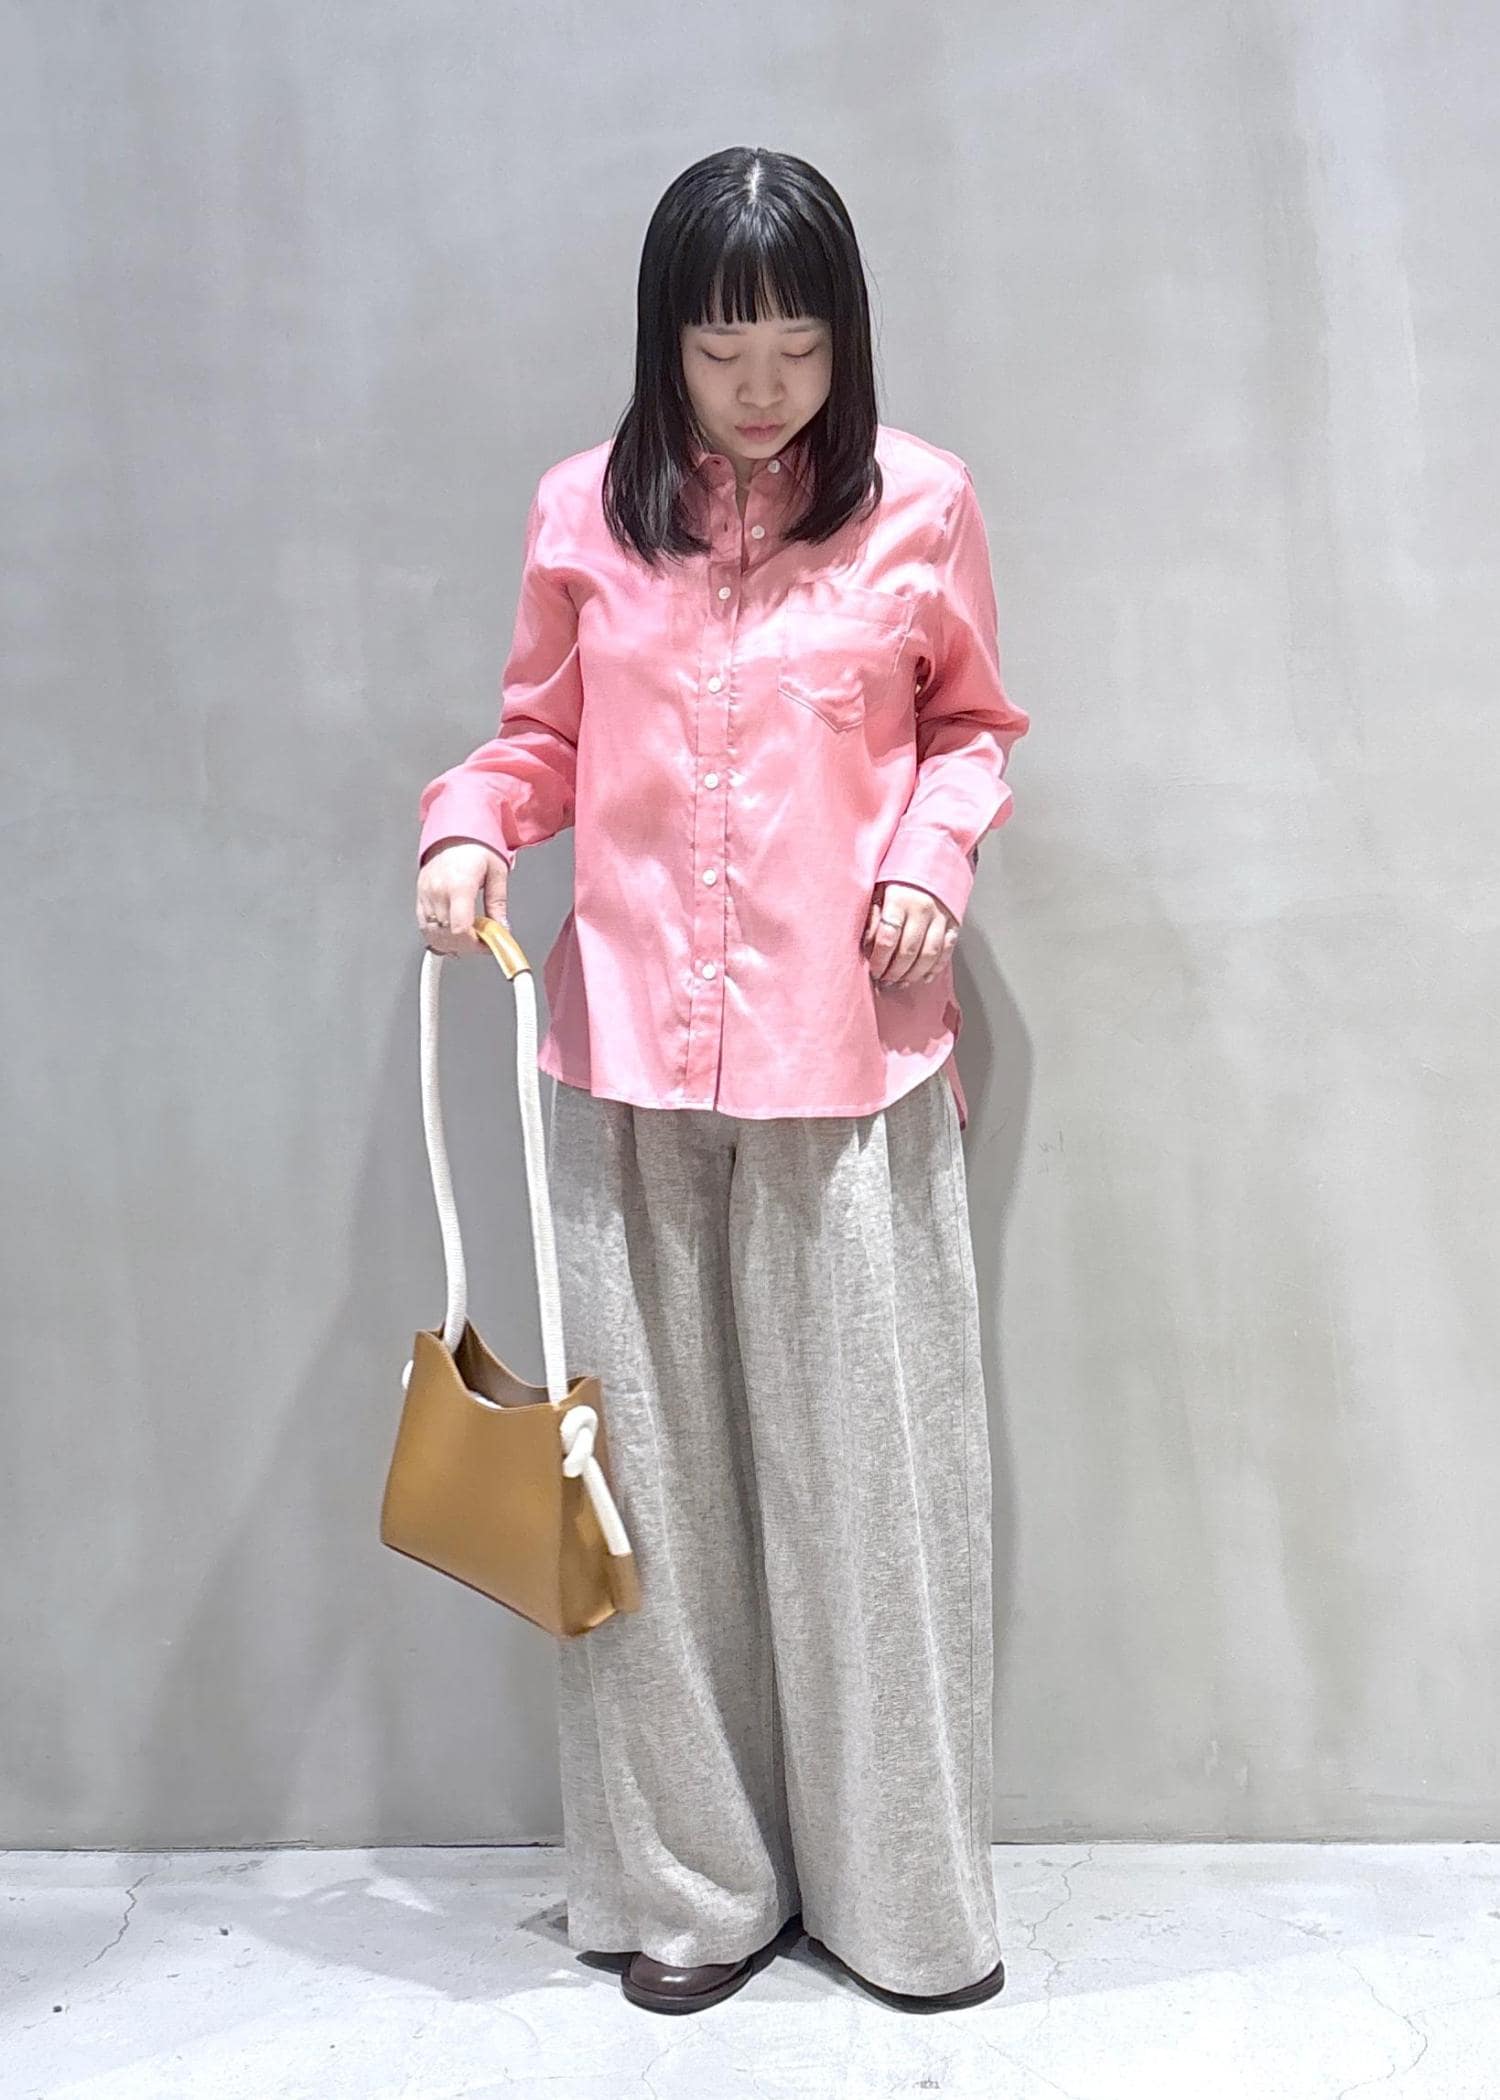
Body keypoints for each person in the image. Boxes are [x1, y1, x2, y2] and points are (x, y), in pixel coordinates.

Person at [414, 145, 1030, 2017]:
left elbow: (971, 730)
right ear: (663, 342)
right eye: (721, 348)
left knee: (873, 1499)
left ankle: (904, 1904)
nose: (763, 388)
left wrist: (930, 857)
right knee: (648, 1501)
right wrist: (469, 828)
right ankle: (694, 1893)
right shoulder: (580, 516)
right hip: (627, 1071)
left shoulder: (921, 504)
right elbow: (536, 739)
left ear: (847, 338)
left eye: (799, 346)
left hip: (850, 1068)